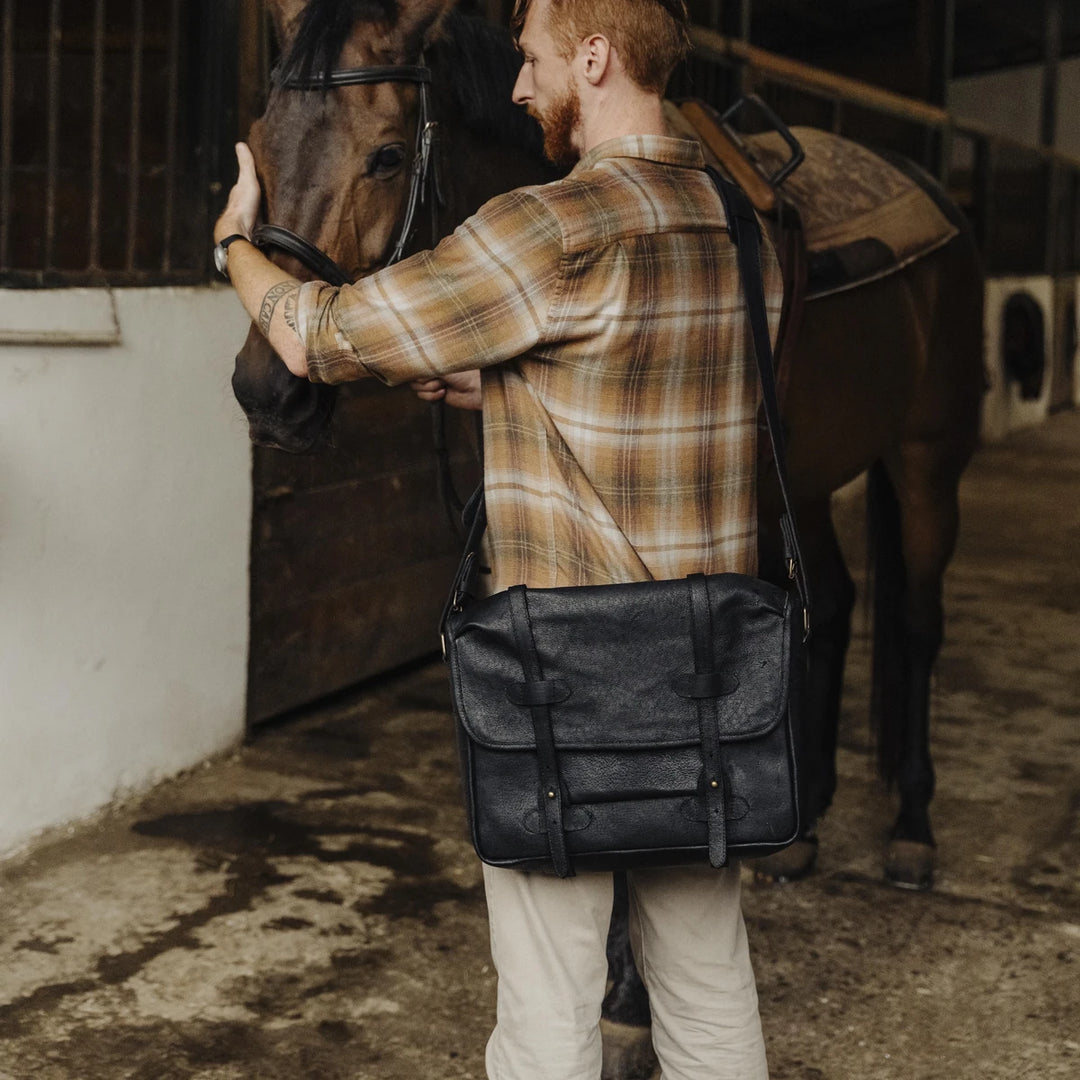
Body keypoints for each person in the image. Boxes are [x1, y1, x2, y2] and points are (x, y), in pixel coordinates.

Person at [214, 0, 782, 1076]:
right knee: (710, 997)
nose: (516, 89)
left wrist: (238, 244)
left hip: (566, 690)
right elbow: (652, 379)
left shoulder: (551, 224)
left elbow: (319, 335)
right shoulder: (729, 219)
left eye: (531, 62)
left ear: (596, 58)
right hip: (708, 685)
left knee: (546, 1012)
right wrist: (503, 391)